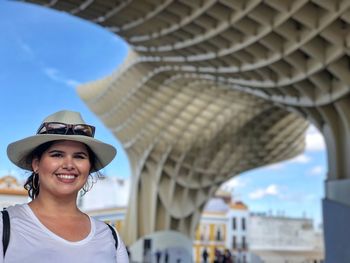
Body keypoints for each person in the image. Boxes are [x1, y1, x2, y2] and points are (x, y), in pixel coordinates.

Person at [2, 110, 129, 262]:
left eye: (79, 157)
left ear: (89, 168)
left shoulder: (110, 237)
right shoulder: (5, 226)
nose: (69, 165)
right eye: (57, 155)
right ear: (36, 164)